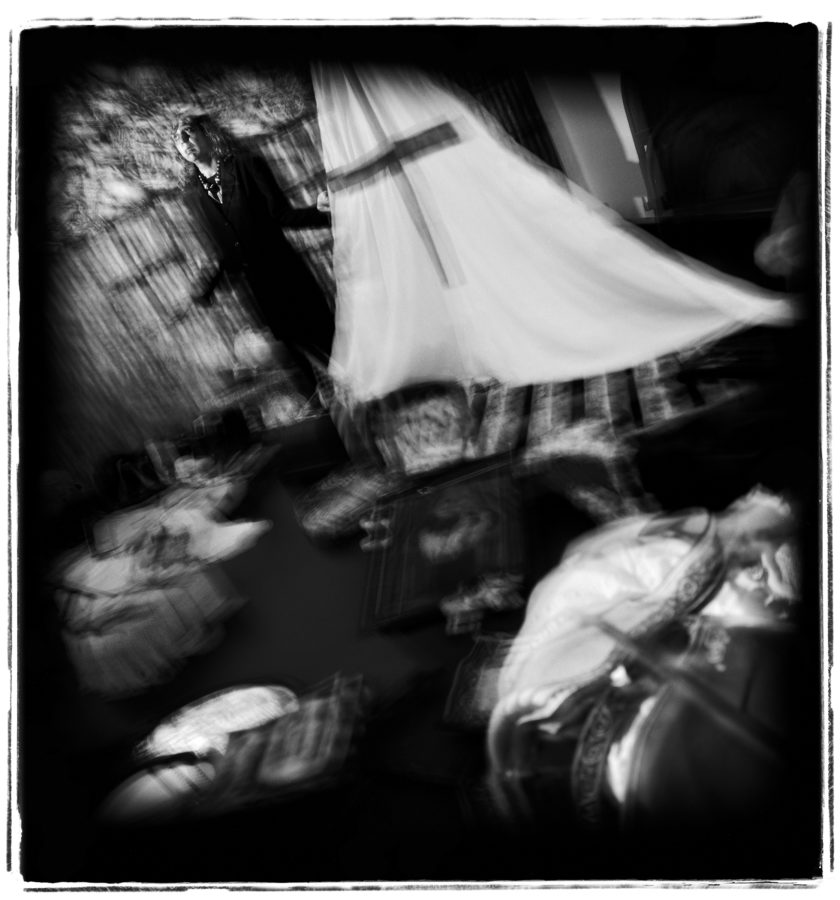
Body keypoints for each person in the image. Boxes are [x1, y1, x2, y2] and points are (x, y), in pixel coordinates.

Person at [173, 113, 335, 372]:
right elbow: (224, 251)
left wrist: (327, 213)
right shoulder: (193, 197)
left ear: (206, 133)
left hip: (287, 272)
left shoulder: (247, 165)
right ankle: (320, 396)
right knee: (297, 359)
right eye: (177, 139)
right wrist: (207, 288)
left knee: (327, 339)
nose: (183, 141)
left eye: (188, 132)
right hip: (258, 290)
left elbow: (283, 215)